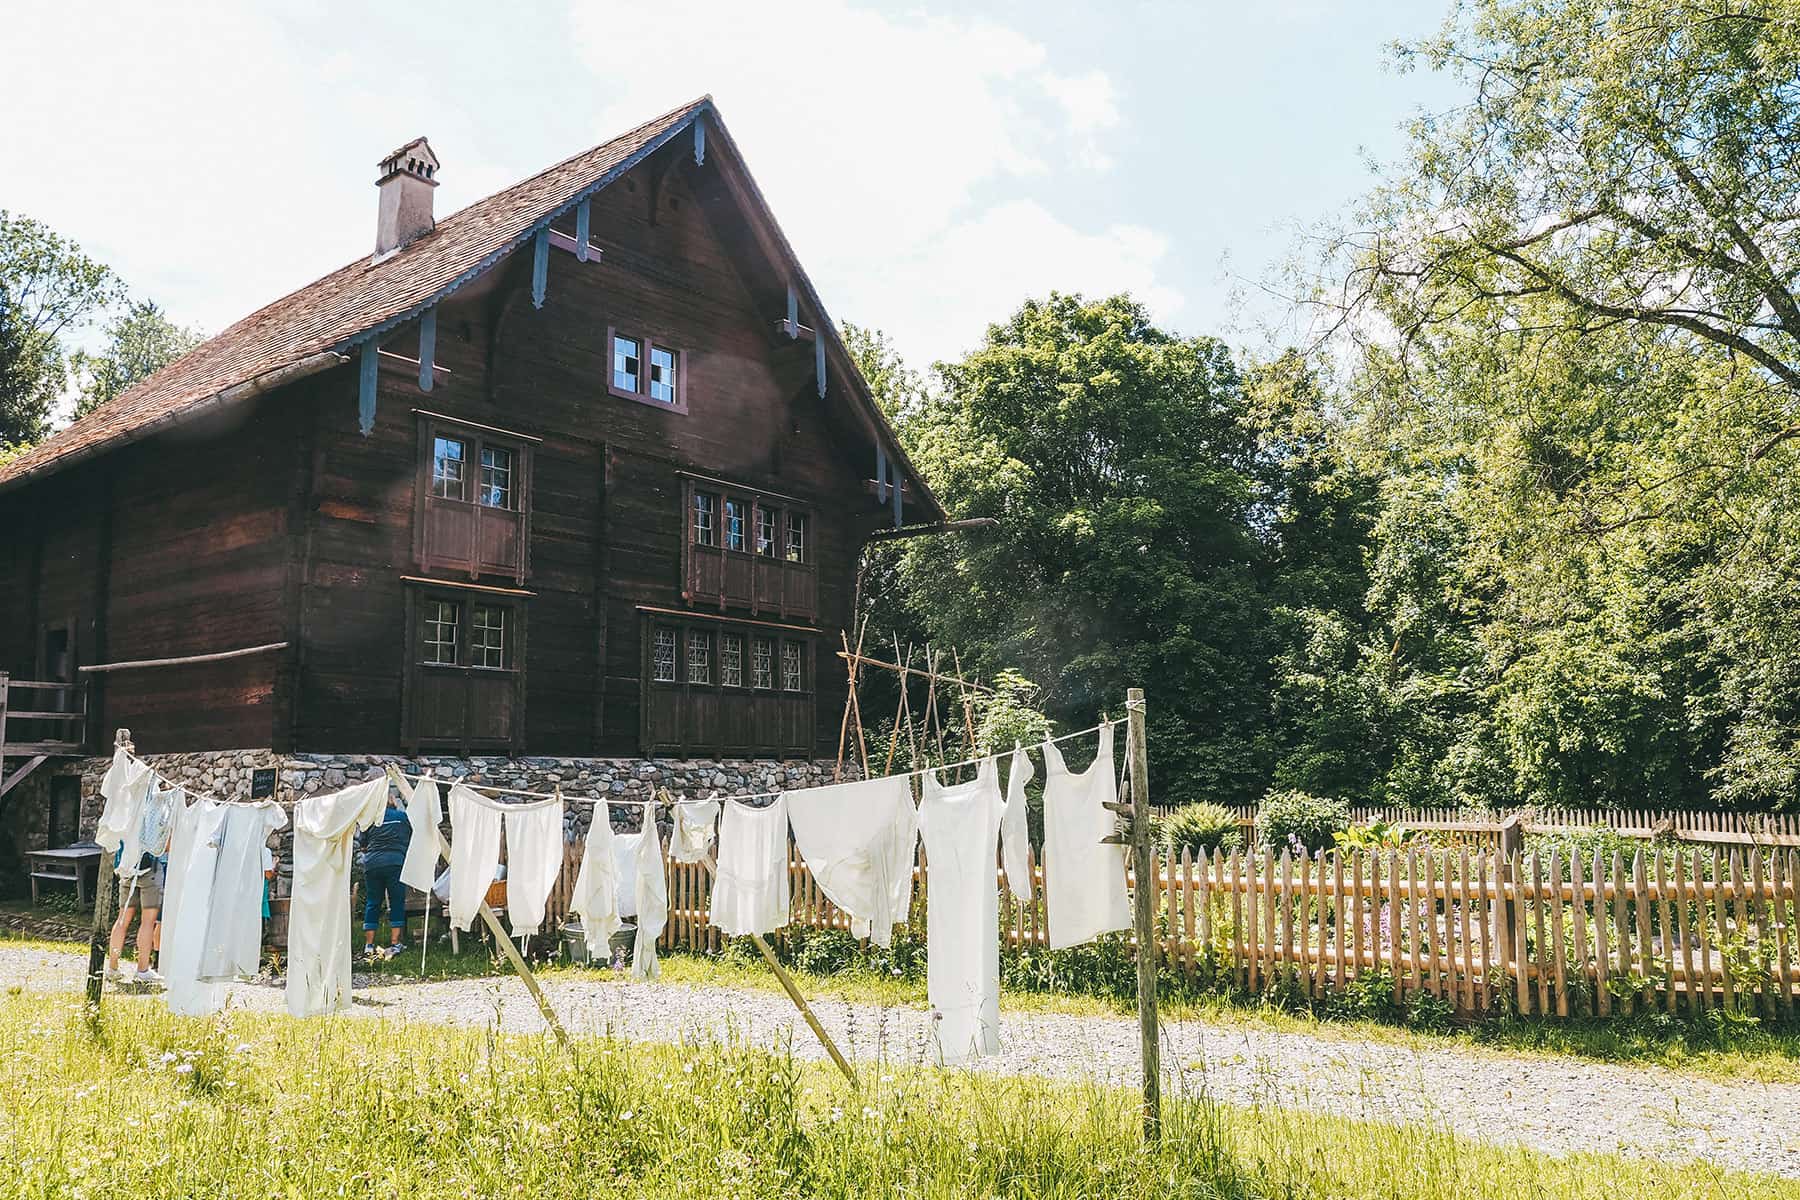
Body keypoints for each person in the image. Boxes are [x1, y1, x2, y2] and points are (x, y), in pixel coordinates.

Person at [356, 793, 411, 959]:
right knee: (396, 901)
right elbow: (411, 837)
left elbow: (362, 843)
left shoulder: (371, 819)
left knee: (373, 902)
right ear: (393, 801)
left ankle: (369, 945)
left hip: (372, 864)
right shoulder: (402, 817)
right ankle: (395, 944)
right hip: (395, 862)